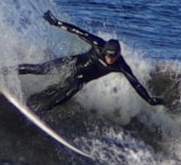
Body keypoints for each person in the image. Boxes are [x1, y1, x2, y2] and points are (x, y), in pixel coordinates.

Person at [17, 11, 166, 111]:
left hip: (79, 79)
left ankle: (36, 109)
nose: (109, 59)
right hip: (70, 64)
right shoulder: (99, 44)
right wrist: (57, 23)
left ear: (118, 55)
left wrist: (149, 99)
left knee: (63, 93)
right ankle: (6, 69)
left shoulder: (121, 65)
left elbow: (136, 84)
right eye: (107, 55)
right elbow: (78, 31)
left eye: (113, 57)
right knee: (40, 69)